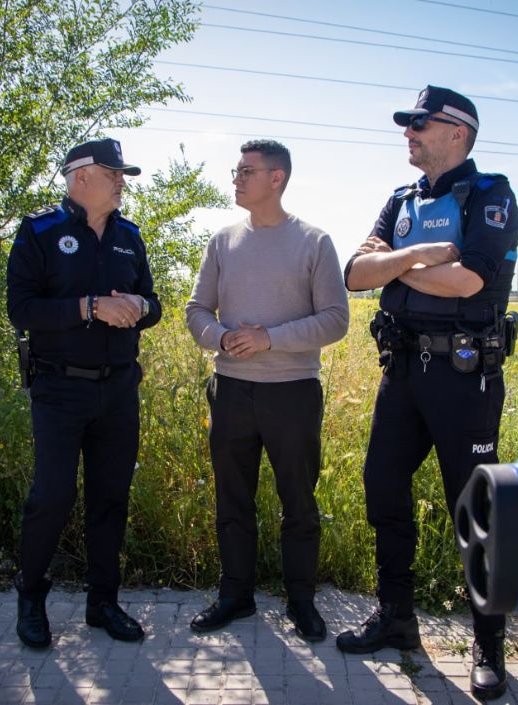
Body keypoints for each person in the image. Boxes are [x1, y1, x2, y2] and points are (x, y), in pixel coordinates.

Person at [334, 86, 518, 700]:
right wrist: (417, 257)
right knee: (382, 485)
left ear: (457, 133)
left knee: (473, 508)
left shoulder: (490, 194)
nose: (408, 133)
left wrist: (395, 265)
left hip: (464, 377)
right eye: (408, 124)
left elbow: (469, 279)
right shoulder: (402, 199)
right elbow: (356, 274)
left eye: (421, 124)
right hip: (403, 371)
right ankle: (397, 620)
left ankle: (488, 645)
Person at [185, 140, 349, 642]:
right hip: (230, 390)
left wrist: (269, 339)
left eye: (246, 171)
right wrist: (222, 339)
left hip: (292, 394)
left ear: (276, 178)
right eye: (236, 170)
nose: (236, 178)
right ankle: (235, 596)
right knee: (233, 499)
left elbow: (336, 320)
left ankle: (301, 601)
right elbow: (196, 310)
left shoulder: (314, 242)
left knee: (298, 502)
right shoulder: (222, 241)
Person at [6, 137, 162, 649]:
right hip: (59, 389)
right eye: (114, 173)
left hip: (118, 390)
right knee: (50, 497)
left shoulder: (128, 237)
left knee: (110, 499)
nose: (122, 182)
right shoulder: (40, 232)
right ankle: (31, 598)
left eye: (122, 174)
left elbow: (153, 303)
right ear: (81, 176)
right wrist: (88, 307)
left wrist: (141, 305)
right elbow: (22, 311)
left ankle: (103, 603)